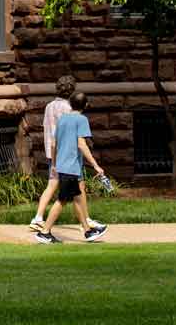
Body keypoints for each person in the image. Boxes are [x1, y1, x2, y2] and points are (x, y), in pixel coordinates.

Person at [31, 91, 107, 244]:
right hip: (71, 167)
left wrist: (53, 163)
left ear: (70, 103)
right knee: (63, 200)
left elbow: (53, 143)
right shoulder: (82, 120)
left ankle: (87, 231)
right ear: (85, 105)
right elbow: (81, 144)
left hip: (63, 165)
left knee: (77, 199)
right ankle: (45, 232)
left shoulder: (63, 119)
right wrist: (95, 165)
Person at [30, 75, 75, 231]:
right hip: (63, 152)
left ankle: (38, 217)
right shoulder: (68, 108)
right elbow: (67, 130)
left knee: (52, 185)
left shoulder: (49, 106)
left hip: (51, 151)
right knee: (74, 187)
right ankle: (86, 221)